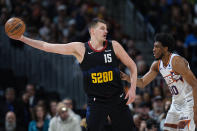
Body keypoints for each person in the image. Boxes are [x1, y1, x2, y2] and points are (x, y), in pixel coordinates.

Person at [8, 18, 137, 131]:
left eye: (106, 29)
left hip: (117, 98)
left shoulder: (114, 45)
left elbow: (132, 66)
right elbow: (46, 46)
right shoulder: (80, 48)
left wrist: (132, 89)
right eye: (102, 28)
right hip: (96, 102)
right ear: (92, 31)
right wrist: (22, 38)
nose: (106, 31)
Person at [120, 33, 197, 131]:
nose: (153, 49)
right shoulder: (156, 65)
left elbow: (195, 84)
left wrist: (195, 109)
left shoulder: (176, 61)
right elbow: (143, 82)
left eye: (157, 47)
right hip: (176, 102)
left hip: (189, 102)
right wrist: (127, 78)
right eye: (153, 46)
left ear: (165, 48)